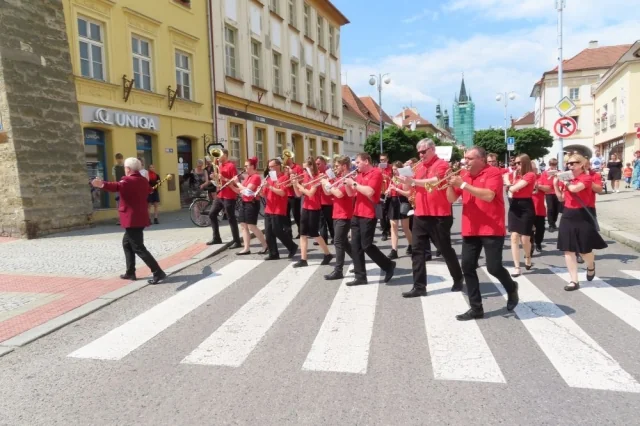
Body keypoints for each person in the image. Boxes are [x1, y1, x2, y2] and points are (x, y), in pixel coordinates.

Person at [446, 146, 518, 320]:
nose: (465, 162)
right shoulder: (463, 175)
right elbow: (451, 199)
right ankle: (476, 308)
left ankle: (511, 288)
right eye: (465, 158)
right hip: (471, 228)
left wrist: (462, 184)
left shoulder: (493, 173)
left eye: (469, 158)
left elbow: (489, 196)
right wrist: (449, 183)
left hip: (491, 228)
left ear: (481, 159)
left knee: (494, 268)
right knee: (468, 267)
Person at [400, 138, 463, 298]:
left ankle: (458, 278)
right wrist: (405, 179)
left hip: (439, 215)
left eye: (424, 151)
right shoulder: (418, 167)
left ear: (432, 149)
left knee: (444, 249)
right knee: (417, 251)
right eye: (419, 152)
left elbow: (435, 182)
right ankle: (419, 286)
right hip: (420, 214)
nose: (421, 155)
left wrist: (413, 180)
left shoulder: (442, 164)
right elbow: (408, 187)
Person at [91, 158, 166, 284]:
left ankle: (158, 271)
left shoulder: (127, 180)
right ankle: (130, 272)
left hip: (132, 219)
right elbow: (149, 190)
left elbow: (115, 186)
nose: (124, 170)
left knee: (138, 247)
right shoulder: (143, 180)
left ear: (128, 169)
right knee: (127, 244)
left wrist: (101, 184)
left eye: (125, 168)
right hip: (140, 217)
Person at [553, 154, 608, 291]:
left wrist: (564, 181)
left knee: (584, 250)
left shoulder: (586, 178)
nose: (570, 166)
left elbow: (574, 189)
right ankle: (574, 280)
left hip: (583, 215)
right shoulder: (567, 179)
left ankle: (590, 265)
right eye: (568, 163)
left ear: (582, 164)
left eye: (573, 163)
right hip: (568, 214)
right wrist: (555, 185)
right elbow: (561, 198)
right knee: (568, 249)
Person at [343, 153, 396, 286]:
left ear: (366, 161)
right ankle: (360, 276)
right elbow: (351, 194)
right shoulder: (359, 176)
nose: (356, 165)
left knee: (366, 245)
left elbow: (370, 192)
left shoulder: (376, 173)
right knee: (355, 246)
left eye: (358, 162)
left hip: (369, 213)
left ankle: (388, 264)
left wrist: (353, 183)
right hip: (357, 213)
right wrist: (347, 184)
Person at [291, 157, 333, 268]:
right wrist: (295, 184)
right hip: (305, 207)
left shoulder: (319, 177)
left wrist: (299, 185)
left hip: (315, 208)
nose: (304, 171)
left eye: (305, 168)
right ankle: (303, 259)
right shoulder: (305, 177)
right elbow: (299, 195)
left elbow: (310, 193)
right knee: (303, 234)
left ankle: (327, 254)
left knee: (314, 233)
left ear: (311, 167)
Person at [321, 156, 355, 280]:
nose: (335, 168)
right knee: (344, 242)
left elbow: (339, 194)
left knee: (338, 242)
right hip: (337, 213)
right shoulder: (340, 178)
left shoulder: (349, 179)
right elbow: (328, 193)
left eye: (337, 166)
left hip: (344, 214)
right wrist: (325, 184)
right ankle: (357, 262)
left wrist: (328, 184)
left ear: (344, 166)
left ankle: (338, 270)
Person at [504, 154, 536, 276]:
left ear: (525, 163)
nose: (516, 165)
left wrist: (507, 182)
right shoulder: (516, 175)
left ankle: (527, 256)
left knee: (525, 238)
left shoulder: (530, 175)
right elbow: (511, 189)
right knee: (514, 236)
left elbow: (514, 188)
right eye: (514, 163)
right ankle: (517, 266)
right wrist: (509, 180)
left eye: (518, 163)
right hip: (514, 205)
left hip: (526, 206)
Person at [262, 158, 298, 260]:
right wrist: (260, 190)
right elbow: (263, 193)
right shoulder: (268, 178)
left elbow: (282, 193)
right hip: (269, 208)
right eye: (269, 167)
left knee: (277, 231)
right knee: (268, 233)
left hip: (278, 208)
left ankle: (292, 246)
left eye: (271, 166)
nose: (269, 168)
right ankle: (273, 253)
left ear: (278, 166)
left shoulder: (284, 178)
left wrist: (270, 187)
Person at [232, 157, 269, 255]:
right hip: (244, 203)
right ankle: (246, 248)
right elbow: (240, 191)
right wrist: (230, 185)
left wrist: (237, 183)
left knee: (252, 226)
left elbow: (247, 191)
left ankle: (265, 245)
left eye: (246, 166)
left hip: (252, 203)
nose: (244, 168)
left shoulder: (256, 177)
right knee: (243, 226)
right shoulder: (248, 177)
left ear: (252, 166)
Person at [207, 149, 242, 248]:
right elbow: (218, 180)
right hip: (220, 194)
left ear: (225, 155)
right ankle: (216, 238)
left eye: (219, 155)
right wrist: (214, 177)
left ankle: (237, 241)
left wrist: (224, 179)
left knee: (231, 218)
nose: (217, 158)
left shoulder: (231, 166)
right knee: (212, 214)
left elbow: (236, 182)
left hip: (229, 195)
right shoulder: (220, 165)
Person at [385, 161, 412, 259]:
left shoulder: (404, 179)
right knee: (393, 226)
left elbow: (407, 193)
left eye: (396, 169)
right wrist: (388, 192)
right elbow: (389, 189)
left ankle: (411, 245)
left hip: (402, 202)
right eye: (393, 170)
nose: (394, 171)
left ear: (400, 169)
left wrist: (396, 189)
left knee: (405, 227)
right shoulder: (393, 178)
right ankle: (394, 250)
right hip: (393, 202)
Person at [537, 158, 561, 231]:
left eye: (554, 164)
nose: (552, 166)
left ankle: (554, 222)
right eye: (551, 164)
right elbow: (542, 182)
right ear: (549, 164)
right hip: (549, 192)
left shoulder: (559, 172)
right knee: (550, 208)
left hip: (557, 192)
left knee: (556, 209)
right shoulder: (545, 173)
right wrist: (550, 177)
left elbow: (562, 182)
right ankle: (551, 224)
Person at [529, 163, 546, 255]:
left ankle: (538, 242)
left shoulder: (541, 177)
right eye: (530, 169)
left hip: (539, 209)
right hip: (528, 209)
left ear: (536, 169)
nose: (532, 171)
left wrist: (538, 186)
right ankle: (530, 249)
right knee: (528, 231)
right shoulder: (525, 178)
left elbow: (548, 188)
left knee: (540, 229)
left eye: (533, 169)